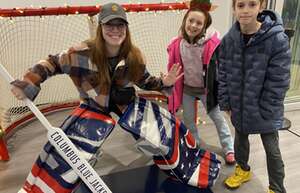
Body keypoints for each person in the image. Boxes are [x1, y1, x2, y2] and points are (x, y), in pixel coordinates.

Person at [10, 2, 183, 192]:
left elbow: (145, 81)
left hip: (126, 103)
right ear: (101, 27)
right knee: (76, 150)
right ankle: (78, 166)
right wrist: (27, 83)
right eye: (110, 25)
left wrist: (164, 83)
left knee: (160, 133)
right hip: (94, 106)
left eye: (120, 25)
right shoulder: (80, 53)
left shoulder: (134, 55)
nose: (115, 30)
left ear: (126, 28)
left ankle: (170, 162)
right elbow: (51, 63)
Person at [218, 0, 291, 192]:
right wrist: (226, 101)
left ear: (261, 6)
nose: (246, 10)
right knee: (240, 140)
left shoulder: (277, 39)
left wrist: (267, 108)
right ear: (234, 9)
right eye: (240, 5)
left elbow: (279, 79)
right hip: (240, 106)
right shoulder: (228, 40)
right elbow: (223, 72)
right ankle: (243, 169)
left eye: (252, 4)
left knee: (272, 150)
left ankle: (276, 188)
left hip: (266, 108)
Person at [167, 0, 235, 165]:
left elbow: (222, 64)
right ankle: (195, 143)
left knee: (218, 118)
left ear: (204, 27)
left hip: (206, 90)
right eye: (191, 21)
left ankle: (229, 148)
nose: (194, 25)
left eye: (199, 23)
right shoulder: (179, 44)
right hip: (187, 90)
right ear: (185, 21)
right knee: (189, 119)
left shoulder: (211, 44)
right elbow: (173, 61)